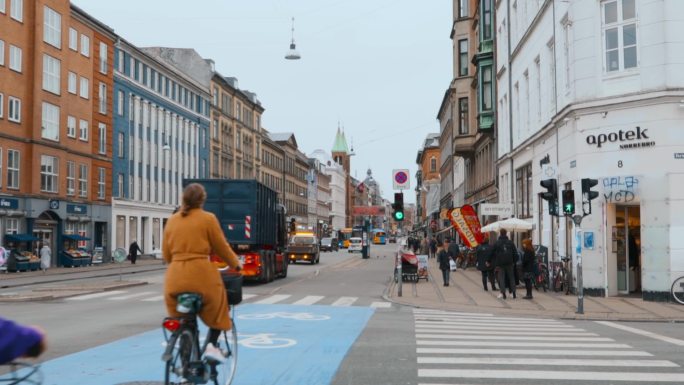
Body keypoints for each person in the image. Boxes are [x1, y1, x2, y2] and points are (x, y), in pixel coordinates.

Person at [163, 183, 242, 363]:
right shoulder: (208, 219)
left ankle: (184, 370)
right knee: (221, 306)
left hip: (174, 278)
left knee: (183, 320)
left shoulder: (173, 220)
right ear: (202, 200)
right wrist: (236, 264)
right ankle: (211, 347)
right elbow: (222, 247)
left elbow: (167, 255)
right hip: (200, 275)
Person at [492, 228, 517, 299]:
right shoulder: (510, 242)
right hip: (510, 262)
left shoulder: (497, 242)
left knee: (501, 278)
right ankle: (513, 293)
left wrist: (489, 261)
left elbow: (492, 252)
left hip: (500, 263)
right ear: (506, 233)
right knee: (511, 277)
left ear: (500, 233)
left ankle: (503, 293)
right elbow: (515, 253)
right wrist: (514, 261)